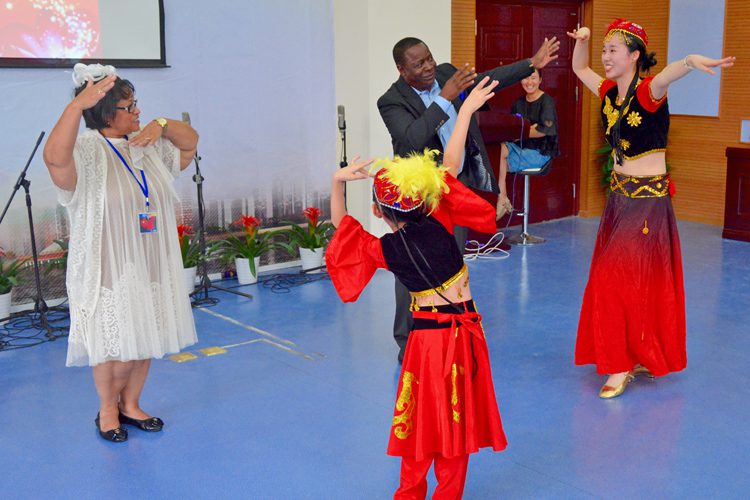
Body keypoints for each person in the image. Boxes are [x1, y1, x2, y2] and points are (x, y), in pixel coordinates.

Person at [326, 77, 506, 498]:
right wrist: (464, 110)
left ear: (379, 212)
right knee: (455, 426)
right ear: (422, 199)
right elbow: (452, 162)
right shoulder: (439, 218)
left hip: (425, 344)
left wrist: (337, 180)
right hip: (466, 338)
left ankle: (409, 492)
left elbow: (340, 226)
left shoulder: (386, 250)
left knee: (419, 424)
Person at [567, 20, 735, 398]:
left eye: (613, 50)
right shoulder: (609, 92)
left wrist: (690, 61)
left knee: (615, 279)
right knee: (631, 280)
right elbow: (580, 68)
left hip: (647, 204)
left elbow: (668, 76)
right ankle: (636, 353)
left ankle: (621, 363)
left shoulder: (647, 92)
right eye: (605, 50)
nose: (606, 57)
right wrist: (584, 41)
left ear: (634, 56)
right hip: (618, 201)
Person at [43, 64, 200, 441]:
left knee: (146, 335)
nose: (137, 111)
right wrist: (75, 107)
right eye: (128, 107)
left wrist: (161, 124)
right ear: (103, 112)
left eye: (136, 104)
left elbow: (191, 142)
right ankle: (107, 411)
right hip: (108, 267)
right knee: (113, 345)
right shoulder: (85, 151)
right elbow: (54, 160)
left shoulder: (146, 145)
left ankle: (131, 404)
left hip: (150, 261)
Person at [378, 36, 560, 361]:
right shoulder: (390, 101)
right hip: (418, 196)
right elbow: (411, 139)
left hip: (455, 185)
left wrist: (530, 64)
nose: (429, 66)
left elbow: (490, 79)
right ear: (402, 70)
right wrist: (444, 99)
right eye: (419, 64)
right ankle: (407, 342)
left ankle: (449, 329)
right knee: (411, 266)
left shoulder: (446, 72)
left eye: (429, 58)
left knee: (452, 260)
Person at [495, 68, 560, 219]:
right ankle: (502, 197)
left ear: (540, 80)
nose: (529, 82)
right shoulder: (517, 103)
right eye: (525, 78)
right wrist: (528, 129)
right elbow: (511, 130)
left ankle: (502, 200)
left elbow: (544, 130)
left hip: (541, 152)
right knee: (496, 151)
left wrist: (522, 131)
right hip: (521, 148)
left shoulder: (547, 102)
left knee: (498, 163)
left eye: (533, 78)